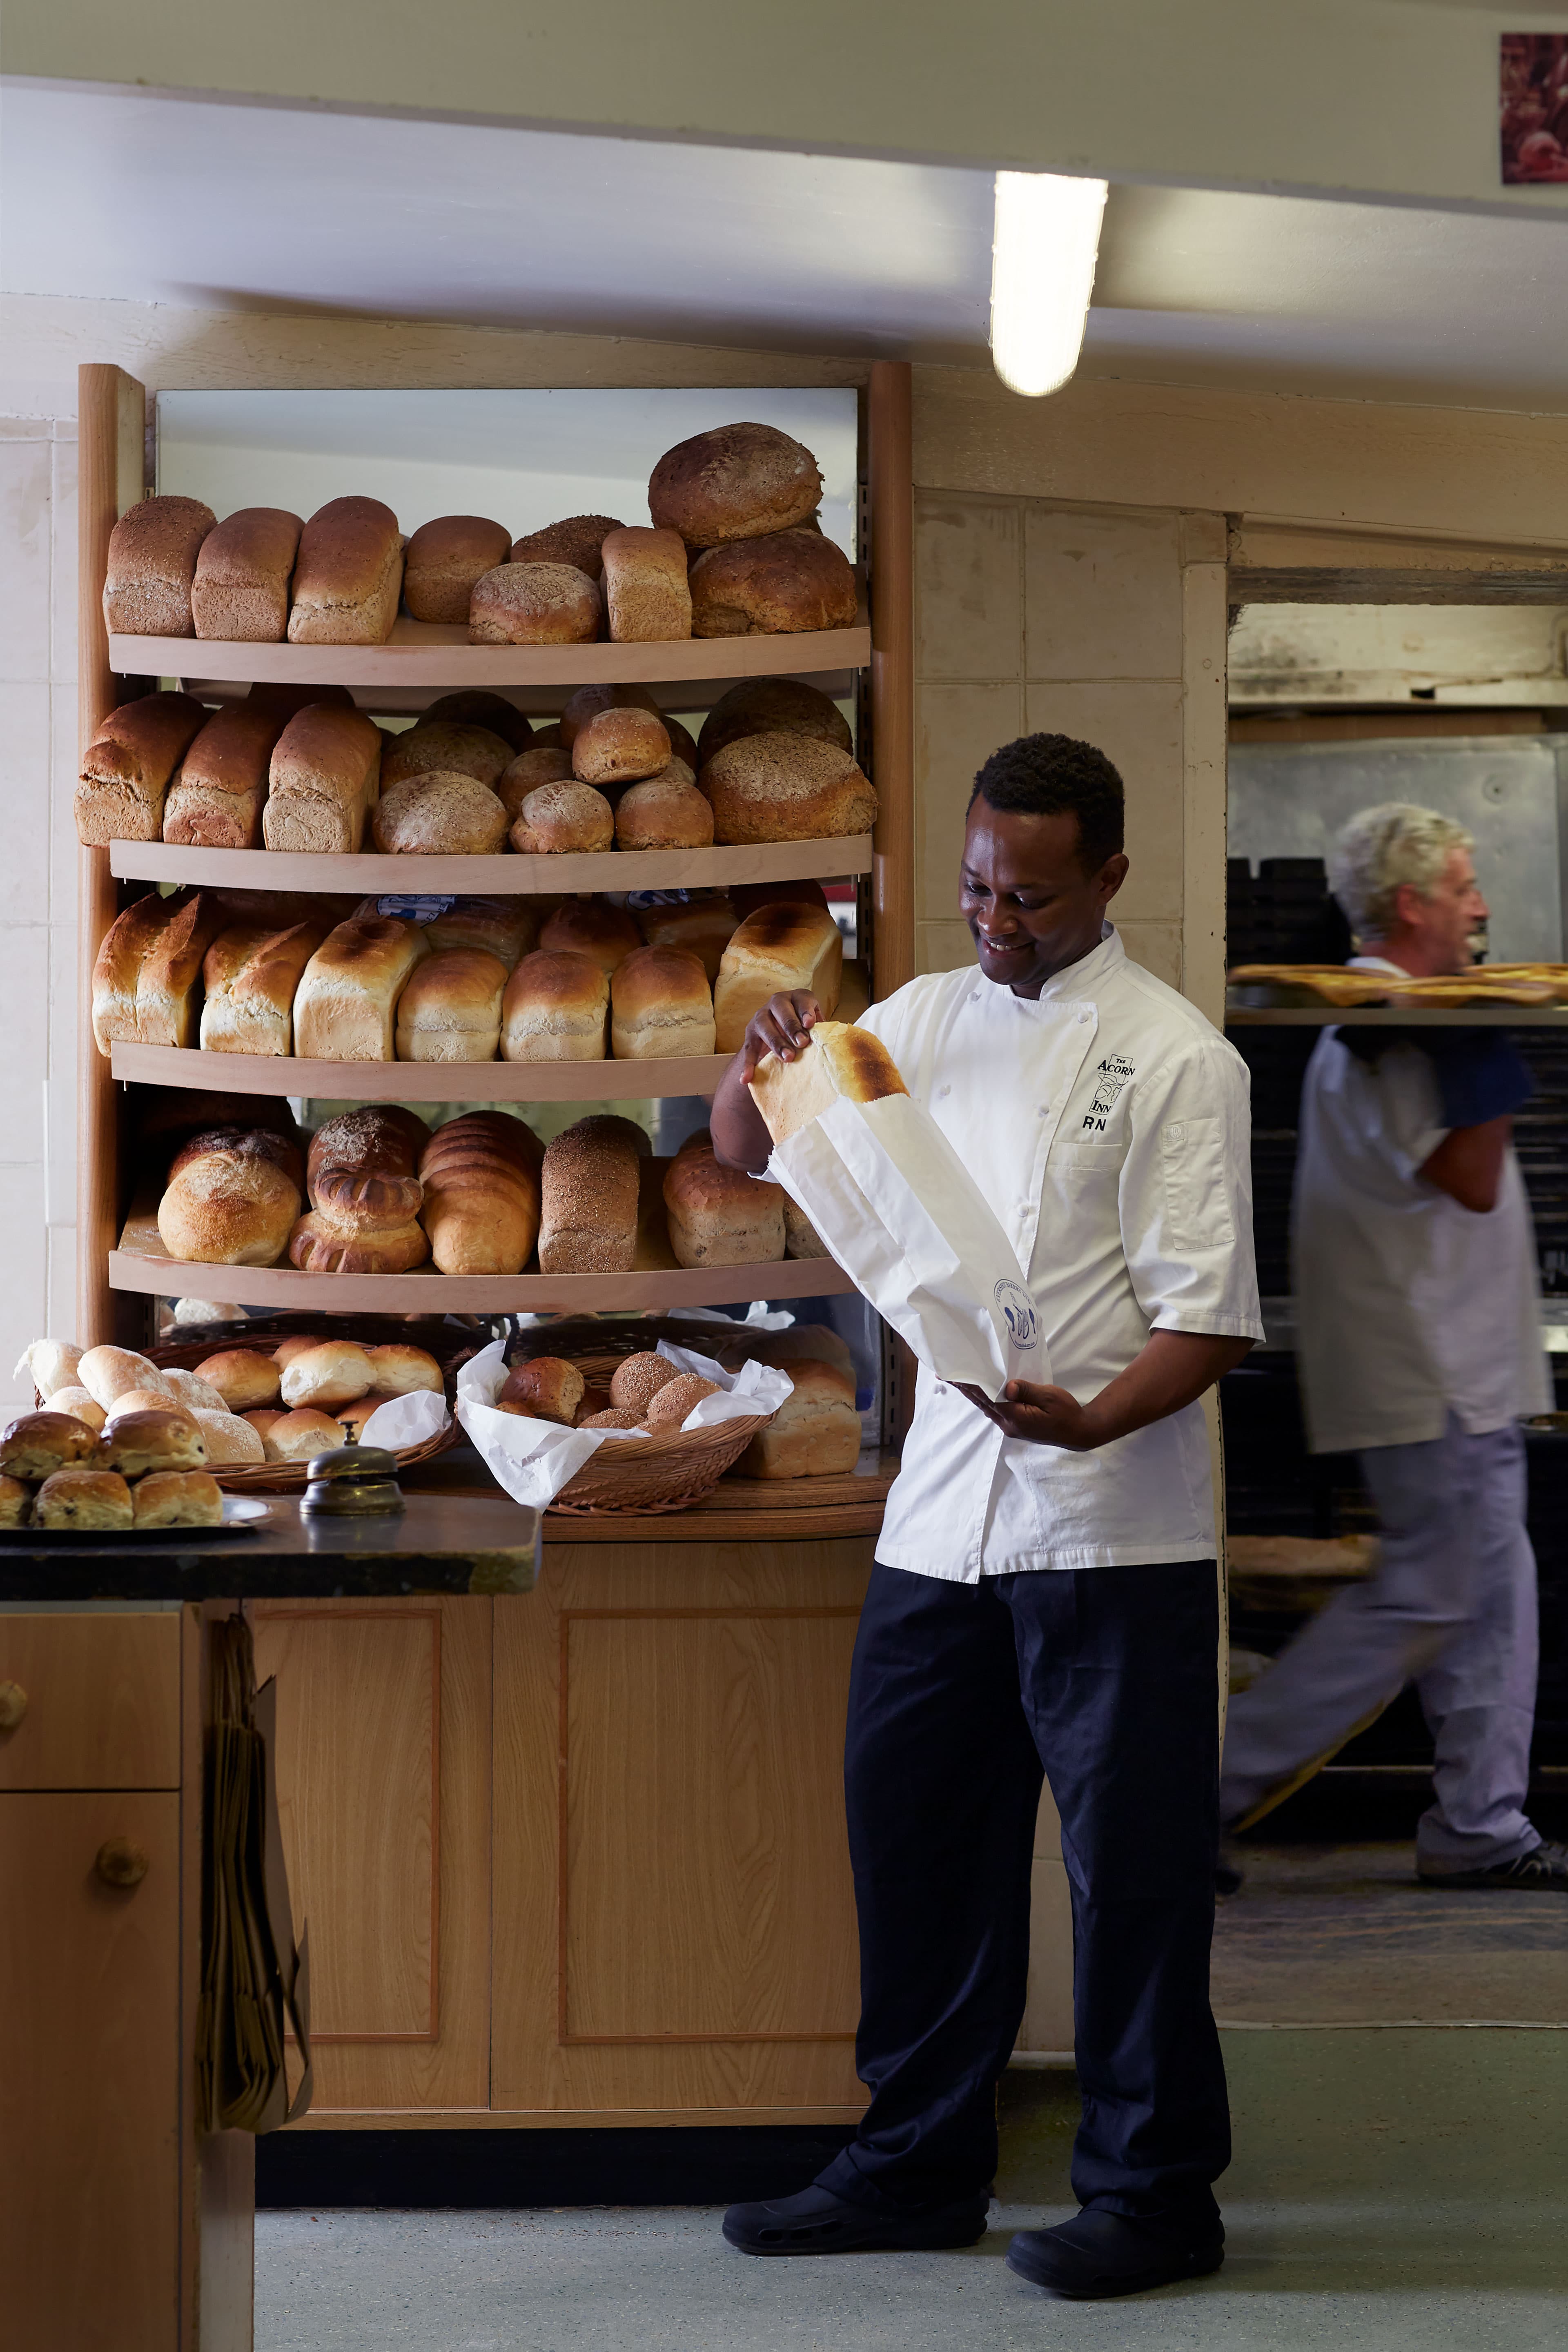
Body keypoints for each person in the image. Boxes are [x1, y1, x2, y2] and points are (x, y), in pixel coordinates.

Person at [708, 733, 1262, 2299]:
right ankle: (917, 2166)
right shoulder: (917, 1021)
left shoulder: (1177, 1060)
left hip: (1113, 1530)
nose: (995, 920)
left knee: (1131, 1881)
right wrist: (753, 1053)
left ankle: (1156, 2197)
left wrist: (1097, 1417)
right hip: (940, 1522)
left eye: (1029, 896)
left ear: (1110, 879)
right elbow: (747, 1151)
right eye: (975, 889)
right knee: (920, 1850)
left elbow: (1209, 1319)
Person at [1221, 804, 1568, 1889]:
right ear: (1413, 904)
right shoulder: (1390, 1030)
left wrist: (1476, 1025)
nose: (1481, 908)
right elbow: (1471, 1179)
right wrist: (1488, 1042)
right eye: (1464, 888)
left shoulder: (1393, 1022)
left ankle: (1479, 1825)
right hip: (1435, 1380)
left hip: (1455, 1374)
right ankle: (1200, 1790)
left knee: (1492, 1601)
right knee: (1423, 1599)